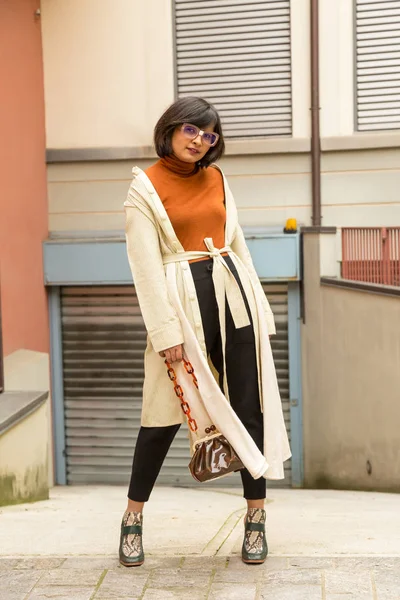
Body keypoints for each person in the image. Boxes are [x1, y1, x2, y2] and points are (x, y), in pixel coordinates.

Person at [120, 96, 291, 568]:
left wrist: (260, 309)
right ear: (171, 129)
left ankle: (255, 519)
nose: (200, 141)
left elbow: (237, 244)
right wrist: (164, 330)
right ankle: (133, 519)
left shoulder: (217, 178)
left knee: (248, 409)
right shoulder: (144, 188)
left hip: (232, 300)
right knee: (160, 417)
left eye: (209, 135)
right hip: (179, 306)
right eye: (192, 130)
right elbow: (145, 267)